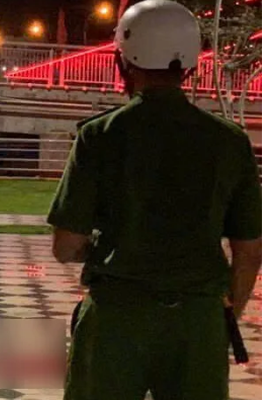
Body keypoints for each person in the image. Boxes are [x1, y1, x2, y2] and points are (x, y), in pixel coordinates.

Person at [47, 1, 262, 399]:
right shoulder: (230, 142)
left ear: (123, 59)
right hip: (197, 321)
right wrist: (223, 312)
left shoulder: (100, 136)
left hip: (116, 317)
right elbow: (249, 252)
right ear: (190, 64)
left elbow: (66, 245)